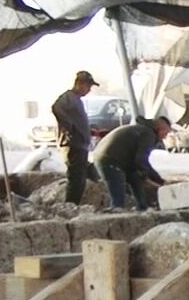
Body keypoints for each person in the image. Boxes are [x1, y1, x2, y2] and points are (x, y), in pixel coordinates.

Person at [92, 117, 172, 210]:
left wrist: (157, 180)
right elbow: (141, 160)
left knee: (135, 176)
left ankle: (143, 207)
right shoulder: (148, 134)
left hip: (108, 157)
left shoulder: (141, 130)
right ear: (160, 129)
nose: (165, 136)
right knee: (118, 199)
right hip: (110, 160)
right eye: (166, 132)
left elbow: (138, 164)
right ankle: (117, 209)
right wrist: (158, 180)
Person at [51, 70, 98, 205]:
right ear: (80, 84)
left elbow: (77, 121)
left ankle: (73, 204)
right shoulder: (68, 98)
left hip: (79, 144)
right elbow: (56, 108)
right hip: (73, 144)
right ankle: (70, 205)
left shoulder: (76, 100)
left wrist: (87, 130)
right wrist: (70, 128)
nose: (89, 90)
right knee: (76, 179)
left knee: (84, 176)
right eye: (88, 86)